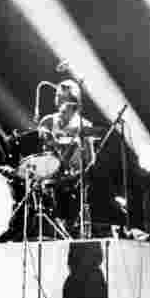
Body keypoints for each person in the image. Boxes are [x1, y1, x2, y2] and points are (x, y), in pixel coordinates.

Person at [37, 79, 96, 238]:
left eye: (62, 96)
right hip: (51, 178)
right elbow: (39, 154)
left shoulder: (84, 124)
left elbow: (91, 159)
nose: (57, 99)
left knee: (73, 220)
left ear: (73, 101)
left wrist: (78, 176)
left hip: (74, 181)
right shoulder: (48, 121)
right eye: (57, 96)